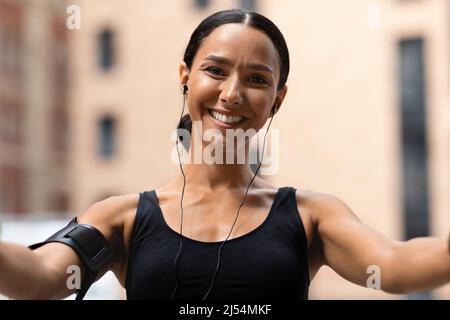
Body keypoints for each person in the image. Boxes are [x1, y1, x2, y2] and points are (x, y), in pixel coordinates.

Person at [0, 8, 449, 300]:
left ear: (278, 98)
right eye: (215, 70)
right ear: (185, 76)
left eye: (256, 79)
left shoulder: (311, 215)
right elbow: (40, 277)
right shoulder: (123, 217)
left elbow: (396, 266)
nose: (231, 94)